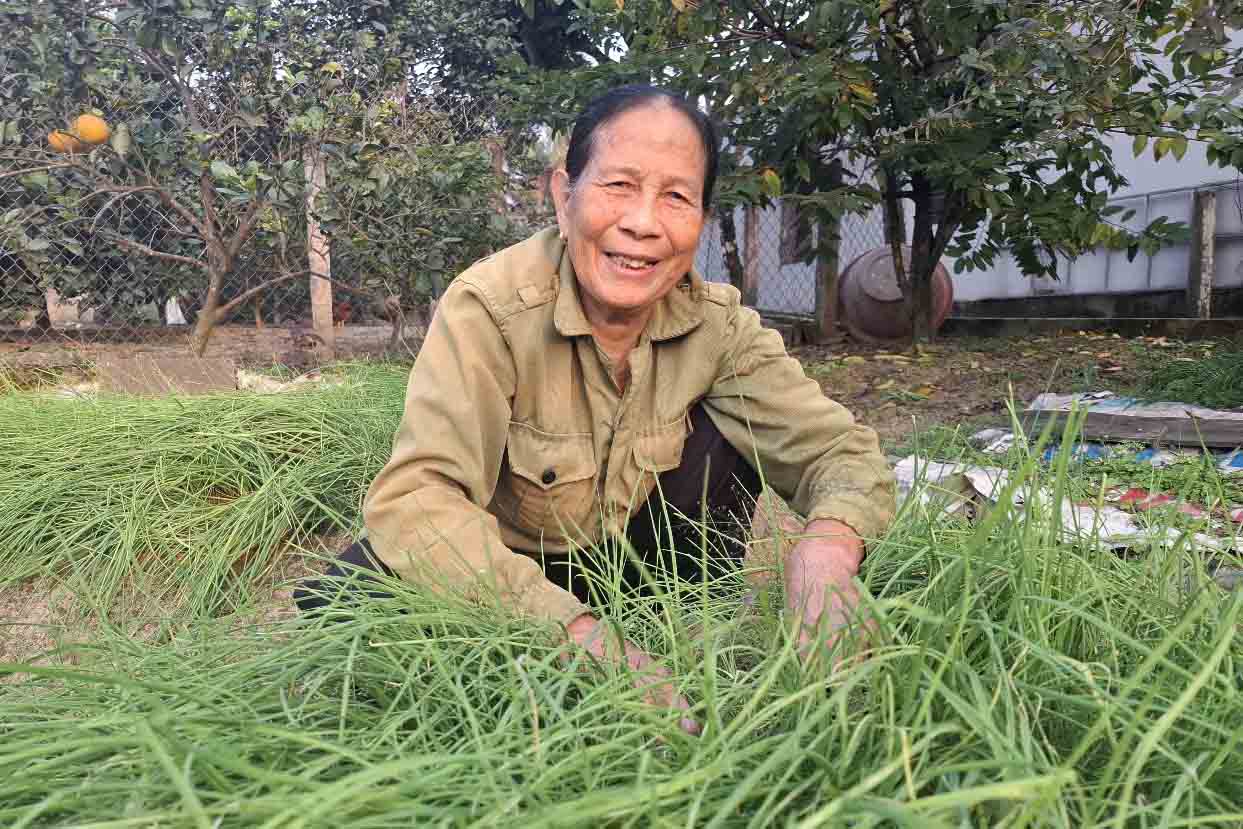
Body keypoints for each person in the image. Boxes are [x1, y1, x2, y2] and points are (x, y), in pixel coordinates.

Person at [295, 84, 896, 732]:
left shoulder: (716, 325)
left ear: (699, 216)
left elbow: (837, 451)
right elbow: (417, 496)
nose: (642, 222)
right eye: (618, 185)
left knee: (727, 436)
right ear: (563, 194)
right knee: (354, 600)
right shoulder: (490, 309)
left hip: (640, 569)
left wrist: (827, 549)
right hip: (511, 570)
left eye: (675, 196)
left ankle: (691, 622)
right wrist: (572, 633)